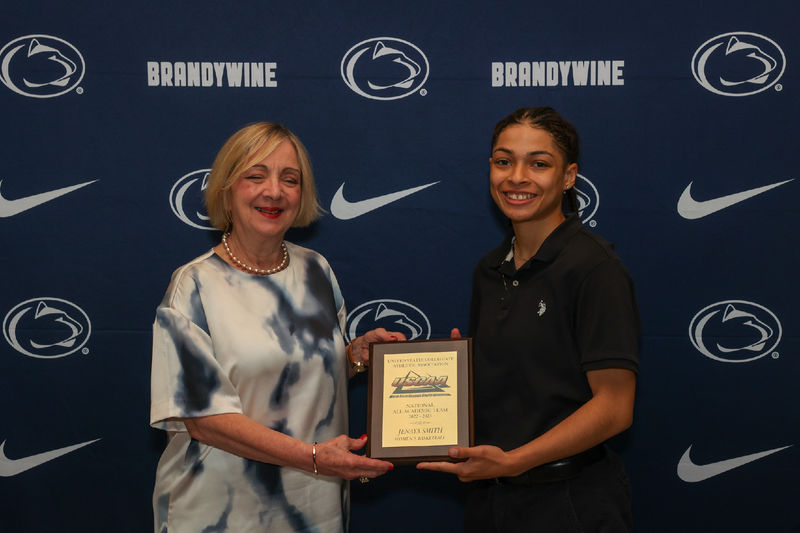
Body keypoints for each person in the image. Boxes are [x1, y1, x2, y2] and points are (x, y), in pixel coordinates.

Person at [150, 122, 401, 532]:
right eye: (255, 176)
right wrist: (313, 456)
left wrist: (352, 359)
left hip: (315, 509)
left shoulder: (316, 270)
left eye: (290, 179)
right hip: (220, 513)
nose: (274, 191)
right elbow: (203, 419)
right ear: (228, 190)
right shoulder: (193, 286)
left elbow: (296, 375)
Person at [418, 107, 640, 532]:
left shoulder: (595, 268)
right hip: (493, 497)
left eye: (539, 164)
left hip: (570, 502)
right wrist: (454, 375)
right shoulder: (489, 269)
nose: (517, 177)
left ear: (569, 176)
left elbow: (615, 407)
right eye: (504, 161)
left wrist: (516, 462)